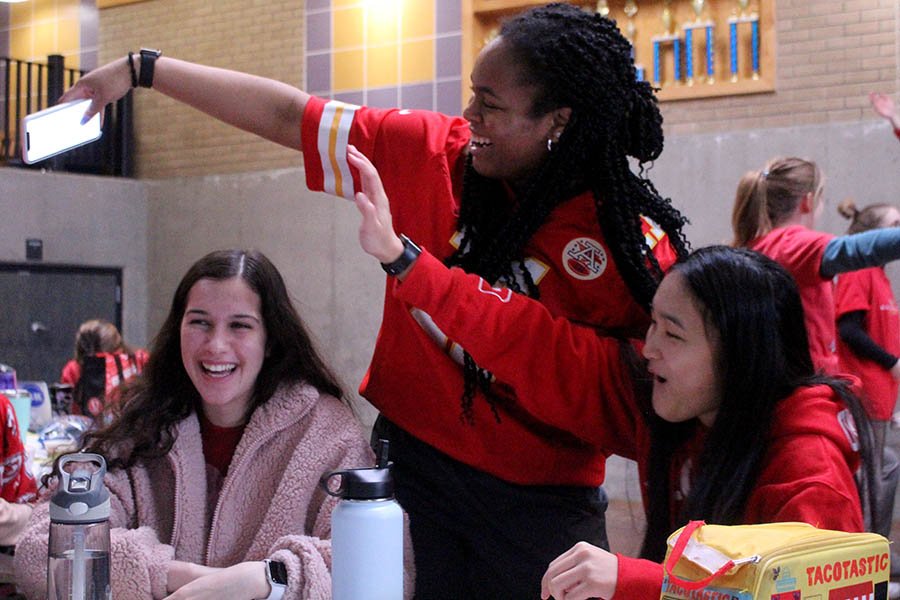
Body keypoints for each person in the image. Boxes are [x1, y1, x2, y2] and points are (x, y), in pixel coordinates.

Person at [59, 4, 691, 596]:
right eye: (471, 91)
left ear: (558, 120)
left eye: (491, 105)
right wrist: (144, 69)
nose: (468, 113)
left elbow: (645, 407)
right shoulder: (429, 154)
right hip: (411, 478)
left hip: (541, 507)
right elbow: (289, 116)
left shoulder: (625, 245)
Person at [349, 144, 876, 600]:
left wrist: (639, 581)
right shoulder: (662, 402)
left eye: (672, 334)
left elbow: (803, 585)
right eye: (651, 327)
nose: (647, 348)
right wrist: (403, 260)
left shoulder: (809, 462)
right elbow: (526, 337)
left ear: (738, 354)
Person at [14, 249, 412, 600]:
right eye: (200, 322)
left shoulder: (326, 433)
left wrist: (265, 579)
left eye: (240, 325)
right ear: (179, 330)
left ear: (270, 340)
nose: (216, 345)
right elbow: (38, 552)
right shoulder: (136, 424)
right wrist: (167, 574)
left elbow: (386, 572)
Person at [731, 156, 900, 374]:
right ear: (807, 201)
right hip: (804, 382)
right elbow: (858, 249)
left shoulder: (760, 245)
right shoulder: (793, 245)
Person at [834, 198, 900, 539]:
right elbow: (849, 329)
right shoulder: (859, 269)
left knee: (884, 467)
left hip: (880, 398)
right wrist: (893, 364)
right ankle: (873, 553)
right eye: (894, 226)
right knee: (874, 472)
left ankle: (878, 547)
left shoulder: (879, 275)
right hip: (865, 393)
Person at [60, 318, 149, 416]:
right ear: (117, 343)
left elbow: (67, 409)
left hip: (88, 427)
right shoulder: (139, 359)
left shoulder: (73, 368)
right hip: (136, 424)